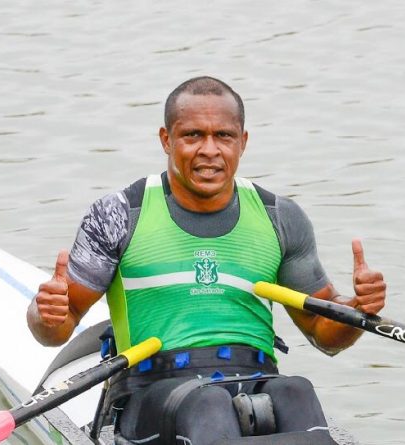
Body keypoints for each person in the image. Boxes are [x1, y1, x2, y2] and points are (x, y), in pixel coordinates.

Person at [27, 76, 386, 445]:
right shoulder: (120, 214)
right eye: (193, 135)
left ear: (242, 142)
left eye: (224, 136)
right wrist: (47, 315)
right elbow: (55, 329)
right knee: (209, 403)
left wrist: (357, 310)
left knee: (296, 391)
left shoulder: (280, 216)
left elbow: (325, 334)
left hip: (254, 382)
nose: (209, 150)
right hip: (149, 395)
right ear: (167, 139)